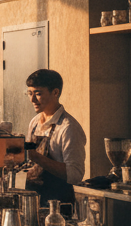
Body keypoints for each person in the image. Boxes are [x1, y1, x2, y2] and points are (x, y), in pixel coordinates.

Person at [25, 68, 86, 205]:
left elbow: (75, 175)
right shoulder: (34, 123)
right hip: (35, 202)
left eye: (38, 94)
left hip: (59, 205)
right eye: (29, 93)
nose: (32, 99)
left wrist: (37, 157)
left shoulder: (68, 127)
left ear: (55, 92)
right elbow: (31, 164)